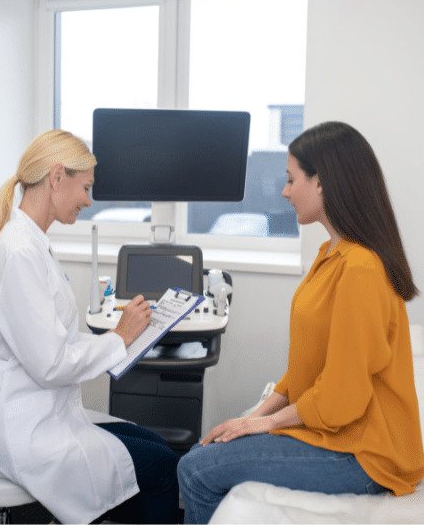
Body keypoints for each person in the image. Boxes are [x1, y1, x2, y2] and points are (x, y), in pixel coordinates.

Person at [177, 121, 424, 524]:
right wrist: (254, 417)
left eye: (291, 179)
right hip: (340, 435)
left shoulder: (361, 268)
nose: (285, 191)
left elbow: (342, 396)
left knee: (195, 470)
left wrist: (267, 423)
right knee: (203, 454)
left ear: (322, 182)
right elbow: (307, 369)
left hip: (364, 454)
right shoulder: (331, 255)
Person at [0, 130, 180, 524]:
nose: (88, 201)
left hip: (38, 409)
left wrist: (126, 339)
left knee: (151, 444)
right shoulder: (20, 251)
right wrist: (118, 337)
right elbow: (51, 363)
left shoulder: (31, 243)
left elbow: (51, 341)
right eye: (86, 187)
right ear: (56, 176)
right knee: (161, 466)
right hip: (20, 427)